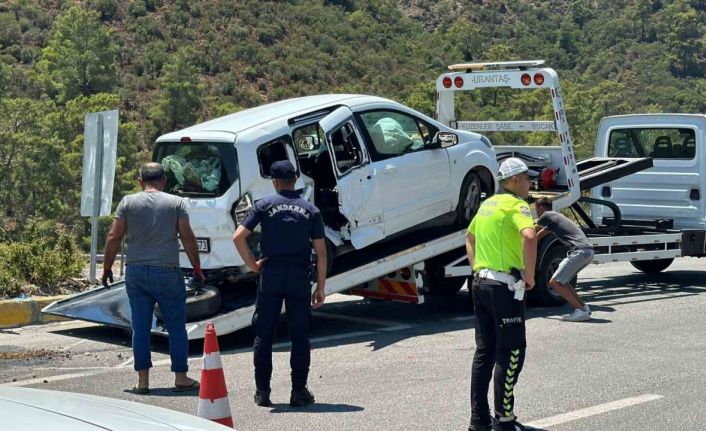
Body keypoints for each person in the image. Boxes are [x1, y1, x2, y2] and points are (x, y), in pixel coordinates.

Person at [232, 160, 327, 408]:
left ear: (274, 182)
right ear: (294, 180)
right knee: (300, 335)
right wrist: (321, 286)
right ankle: (298, 391)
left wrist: (253, 265)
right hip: (298, 276)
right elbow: (321, 252)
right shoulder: (310, 210)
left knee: (264, 334)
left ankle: (263, 392)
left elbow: (238, 237)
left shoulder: (264, 206)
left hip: (271, 274)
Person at [101, 162, 202, 394]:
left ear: (140, 181)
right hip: (167, 271)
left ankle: (143, 381)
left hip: (136, 272)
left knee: (141, 327)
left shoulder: (127, 202)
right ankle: (181, 377)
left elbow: (114, 235)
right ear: (164, 181)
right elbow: (187, 237)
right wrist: (197, 266)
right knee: (176, 326)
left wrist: (106, 268)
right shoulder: (176, 203)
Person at [466, 157, 539, 431]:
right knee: (512, 352)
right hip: (505, 288)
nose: (530, 182)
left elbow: (469, 237)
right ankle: (504, 419)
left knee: (484, 351)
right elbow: (530, 236)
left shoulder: (488, 204)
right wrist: (530, 276)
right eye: (527, 177)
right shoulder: (517, 205)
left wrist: (476, 270)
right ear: (515, 180)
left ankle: (478, 420)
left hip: (481, 284)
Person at [534, 197, 594, 322]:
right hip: (587, 251)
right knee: (563, 282)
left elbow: (532, 231)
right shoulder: (555, 218)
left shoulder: (546, 215)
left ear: (540, 207)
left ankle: (580, 311)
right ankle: (583, 308)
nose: (536, 213)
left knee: (554, 283)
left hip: (579, 251)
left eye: (536, 209)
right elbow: (538, 236)